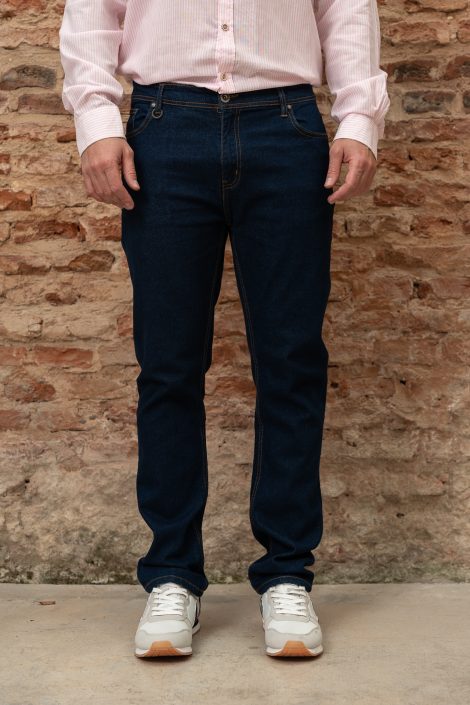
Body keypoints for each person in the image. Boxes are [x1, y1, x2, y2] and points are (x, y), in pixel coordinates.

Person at [59, 0, 390, 659]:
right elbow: (93, 10)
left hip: (286, 125)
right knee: (169, 365)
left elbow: (346, 8)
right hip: (163, 125)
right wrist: (95, 122)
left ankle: (287, 573)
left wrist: (359, 118)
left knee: (291, 360)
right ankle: (172, 575)